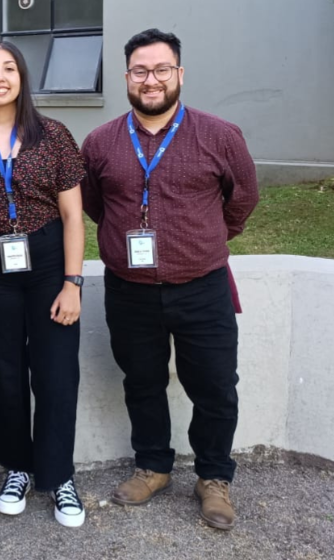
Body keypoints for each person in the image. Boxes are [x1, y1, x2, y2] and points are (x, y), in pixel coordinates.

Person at [81, 28, 259, 531]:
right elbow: (95, 205)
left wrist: (202, 241)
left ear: (179, 74)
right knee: (142, 382)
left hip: (202, 286)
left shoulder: (220, 135)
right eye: (141, 71)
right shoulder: (100, 143)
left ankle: (214, 478)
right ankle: (153, 465)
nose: (151, 80)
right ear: (127, 78)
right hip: (129, 291)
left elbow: (242, 199)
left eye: (161, 69)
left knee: (217, 386)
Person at [0, 41, 88, 528]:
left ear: (22, 79)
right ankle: (18, 467)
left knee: (55, 374)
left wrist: (73, 283)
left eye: (9, 68)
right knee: (5, 373)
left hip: (48, 259)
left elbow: (73, 216)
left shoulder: (52, 135)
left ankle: (59, 475)